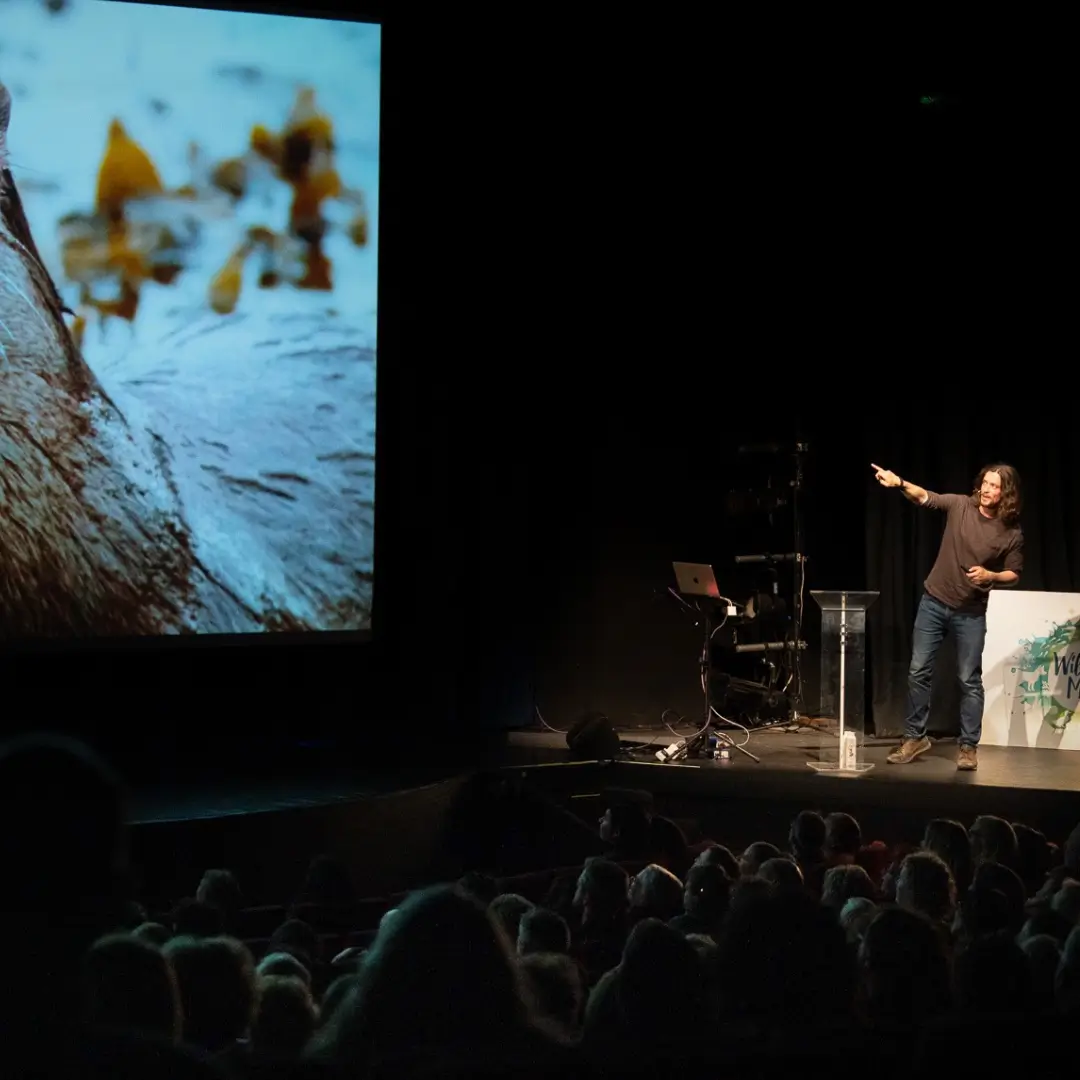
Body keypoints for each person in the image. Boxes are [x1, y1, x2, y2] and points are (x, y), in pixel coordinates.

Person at [871, 462, 1023, 771]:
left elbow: (1014, 573)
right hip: (933, 602)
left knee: (968, 679)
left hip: (970, 612)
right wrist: (899, 481)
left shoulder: (1011, 532)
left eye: (995, 486)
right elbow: (925, 497)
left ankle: (968, 746)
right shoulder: (961, 505)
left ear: (1005, 493)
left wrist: (991, 574)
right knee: (917, 671)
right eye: (985, 483)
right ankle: (915, 737)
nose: (987, 490)